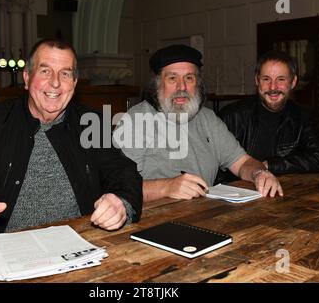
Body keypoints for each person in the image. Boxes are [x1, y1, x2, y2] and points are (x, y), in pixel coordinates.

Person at [0, 38, 143, 245]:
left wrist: (120, 202)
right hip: (4, 249)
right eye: (45, 71)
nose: (56, 82)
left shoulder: (90, 123)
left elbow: (124, 172)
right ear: (27, 77)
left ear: (75, 83)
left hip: (80, 244)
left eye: (65, 74)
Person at [113, 44, 282, 202]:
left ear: (198, 84)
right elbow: (115, 186)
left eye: (189, 78)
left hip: (203, 217)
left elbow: (243, 163)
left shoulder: (208, 119)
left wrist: (259, 173)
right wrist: (166, 187)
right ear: (158, 84)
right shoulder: (135, 121)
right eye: (172, 78)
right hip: (150, 222)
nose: (182, 87)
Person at [216, 50, 319, 183]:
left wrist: (269, 165)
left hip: (285, 193)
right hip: (236, 194)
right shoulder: (232, 115)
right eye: (266, 79)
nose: (273, 87)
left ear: (293, 82)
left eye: (281, 79)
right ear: (257, 81)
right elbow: (214, 165)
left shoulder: (303, 117)